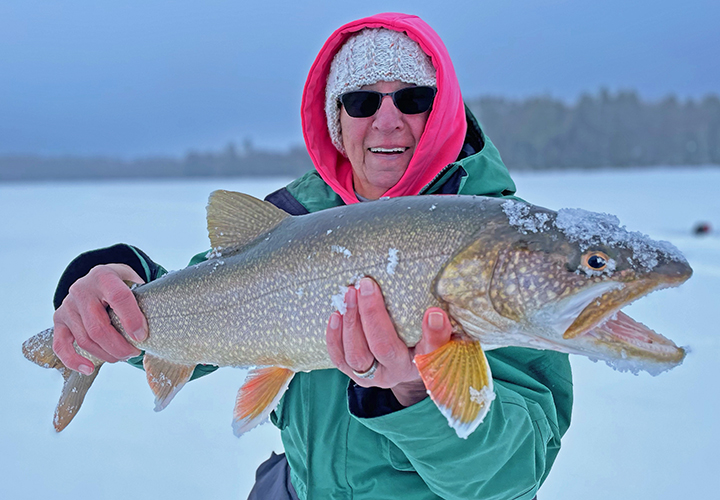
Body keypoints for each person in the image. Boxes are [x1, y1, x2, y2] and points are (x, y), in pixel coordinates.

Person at [51, 13, 572, 500]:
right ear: (337, 122)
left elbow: (510, 477)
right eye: (362, 102)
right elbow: (196, 312)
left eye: (412, 99)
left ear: (442, 112)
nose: (387, 121)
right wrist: (114, 288)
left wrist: (415, 392)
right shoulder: (290, 219)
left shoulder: (508, 243)